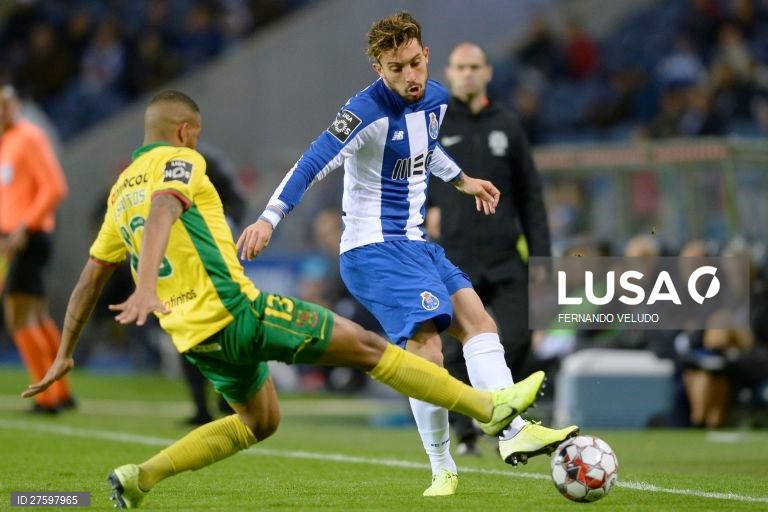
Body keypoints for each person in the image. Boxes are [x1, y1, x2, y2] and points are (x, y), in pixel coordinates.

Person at [21, 90, 547, 509]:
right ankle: (491, 407)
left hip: (193, 339)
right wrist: (143, 288)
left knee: (261, 421)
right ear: (184, 132)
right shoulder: (181, 161)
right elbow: (165, 207)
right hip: (237, 315)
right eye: (195, 137)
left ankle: (141, 477)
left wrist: (65, 351)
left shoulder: (119, 194)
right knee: (368, 347)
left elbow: (90, 276)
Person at [237, 12, 578, 496]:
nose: (410, 76)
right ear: (379, 69)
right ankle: (442, 466)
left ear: (426, 55)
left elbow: (426, 149)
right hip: (373, 251)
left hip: (416, 245)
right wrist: (269, 218)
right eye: (396, 68)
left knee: (479, 322)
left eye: (415, 63)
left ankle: (513, 432)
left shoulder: (436, 99)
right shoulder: (364, 113)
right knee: (429, 350)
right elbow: (312, 163)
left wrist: (462, 180)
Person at [425, 42, 553, 456]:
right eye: (460, 67)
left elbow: (530, 195)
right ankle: (466, 432)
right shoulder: (435, 122)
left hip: (503, 254)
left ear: (487, 72)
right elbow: (415, 174)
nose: (467, 73)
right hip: (454, 255)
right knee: (453, 347)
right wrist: (428, 210)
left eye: (474, 66)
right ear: (449, 72)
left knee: (518, 335)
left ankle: (497, 414)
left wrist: (542, 258)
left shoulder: (508, 124)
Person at [0, 84, 73, 413]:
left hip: (28, 236)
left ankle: (46, 397)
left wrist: (23, 227)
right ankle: (61, 392)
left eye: (6, 103)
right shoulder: (8, 141)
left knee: (18, 316)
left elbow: (55, 187)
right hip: (16, 235)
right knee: (35, 315)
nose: (2, 110)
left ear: (17, 105)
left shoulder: (29, 137)